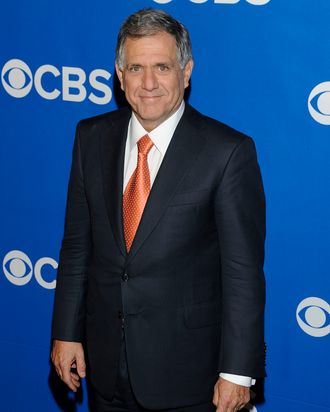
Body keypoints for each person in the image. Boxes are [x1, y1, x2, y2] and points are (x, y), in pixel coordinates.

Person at [51, 8, 266, 412]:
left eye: (162, 67)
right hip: (106, 366)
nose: (148, 83)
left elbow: (243, 273)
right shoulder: (90, 138)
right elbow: (77, 247)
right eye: (136, 67)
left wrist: (237, 373)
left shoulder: (227, 152)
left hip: (191, 375)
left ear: (186, 72)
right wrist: (66, 332)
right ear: (119, 73)